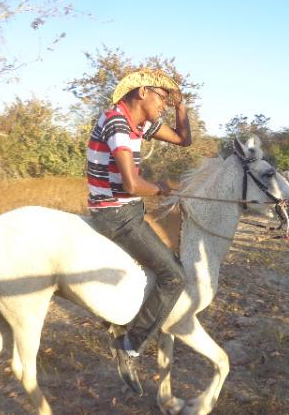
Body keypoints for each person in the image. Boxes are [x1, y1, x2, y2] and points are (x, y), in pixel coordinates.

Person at [86, 68, 191, 395]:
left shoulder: (138, 123)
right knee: (175, 276)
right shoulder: (118, 123)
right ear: (142, 92)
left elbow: (184, 139)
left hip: (129, 209)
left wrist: (180, 105)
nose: (163, 104)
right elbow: (132, 183)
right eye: (162, 97)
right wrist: (160, 188)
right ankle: (129, 345)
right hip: (116, 214)